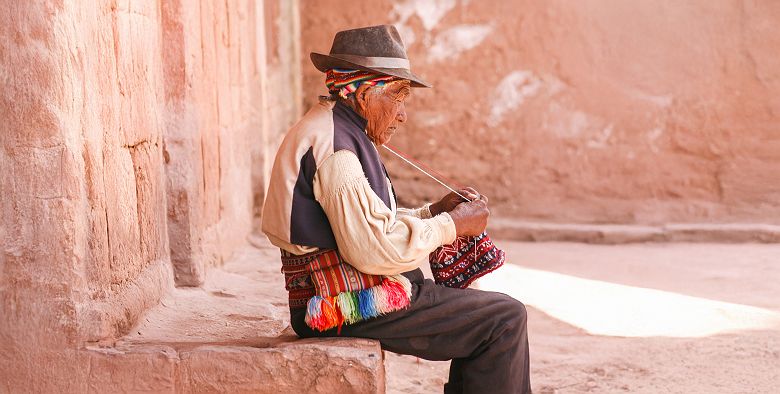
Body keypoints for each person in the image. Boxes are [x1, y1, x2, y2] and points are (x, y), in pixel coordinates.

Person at [262, 25, 530, 394]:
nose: (402, 114)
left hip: (352, 291)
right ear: (364, 92)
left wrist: (432, 212)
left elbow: (365, 224)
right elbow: (374, 251)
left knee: (485, 316)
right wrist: (451, 225)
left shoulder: (338, 129)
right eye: (398, 97)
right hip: (341, 304)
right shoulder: (337, 149)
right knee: (504, 318)